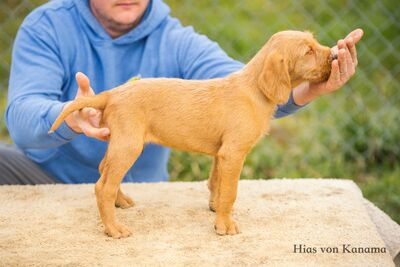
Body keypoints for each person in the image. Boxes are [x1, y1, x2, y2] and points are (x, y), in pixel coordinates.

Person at [2, 0, 362, 184]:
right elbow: (20, 119)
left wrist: (310, 87)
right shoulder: (47, 26)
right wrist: (69, 116)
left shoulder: (176, 41)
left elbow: (252, 93)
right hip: (46, 178)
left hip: (142, 189)